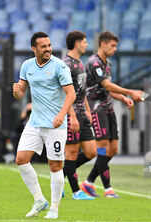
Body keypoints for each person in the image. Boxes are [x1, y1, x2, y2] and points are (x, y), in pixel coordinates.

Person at [13, 32, 75, 219]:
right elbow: (21, 94)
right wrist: (16, 92)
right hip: (35, 123)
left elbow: (71, 94)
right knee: (21, 159)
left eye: (49, 45)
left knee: (55, 165)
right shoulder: (27, 66)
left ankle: (54, 209)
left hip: (55, 125)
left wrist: (62, 114)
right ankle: (40, 200)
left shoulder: (59, 66)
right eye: (43, 46)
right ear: (34, 48)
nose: (48, 49)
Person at [80, 31, 144, 198]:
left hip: (108, 108)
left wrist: (123, 97)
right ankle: (108, 189)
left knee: (113, 149)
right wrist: (130, 92)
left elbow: (107, 89)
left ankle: (87, 182)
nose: (115, 49)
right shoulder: (94, 62)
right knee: (102, 148)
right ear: (103, 44)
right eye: (113, 45)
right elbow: (107, 85)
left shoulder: (107, 63)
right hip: (96, 109)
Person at [61, 31, 96, 200]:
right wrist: (72, 115)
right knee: (71, 154)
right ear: (76, 43)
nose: (86, 44)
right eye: (84, 41)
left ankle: (59, 177)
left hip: (83, 114)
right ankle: (76, 192)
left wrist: (88, 110)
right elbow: (64, 93)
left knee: (91, 152)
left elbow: (82, 91)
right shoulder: (65, 64)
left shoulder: (80, 64)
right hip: (71, 115)